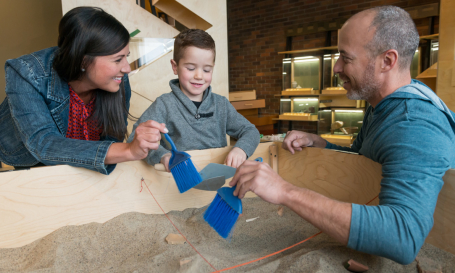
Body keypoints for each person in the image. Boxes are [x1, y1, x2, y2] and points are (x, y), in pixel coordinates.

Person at [230, 6, 455, 265]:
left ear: (387, 61)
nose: (336, 67)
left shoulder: (413, 123)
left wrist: (285, 191)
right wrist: (321, 144)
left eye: (346, 58)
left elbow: (403, 237)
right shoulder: (382, 104)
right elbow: (364, 159)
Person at [0, 7, 167, 174]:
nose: (126, 68)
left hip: (87, 166)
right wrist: (128, 150)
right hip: (30, 162)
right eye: (117, 59)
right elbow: (44, 144)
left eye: (126, 56)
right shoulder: (26, 73)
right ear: (83, 61)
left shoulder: (117, 79)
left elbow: (111, 139)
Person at [128, 29, 260, 171]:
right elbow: (134, 139)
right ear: (175, 66)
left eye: (207, 70)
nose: (199, 76)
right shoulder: (164, 105)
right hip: (175, 187)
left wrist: (241, 149)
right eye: (191, 68)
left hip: (217, 184)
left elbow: (251, 131)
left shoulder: (221, 104)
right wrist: (163, 155)